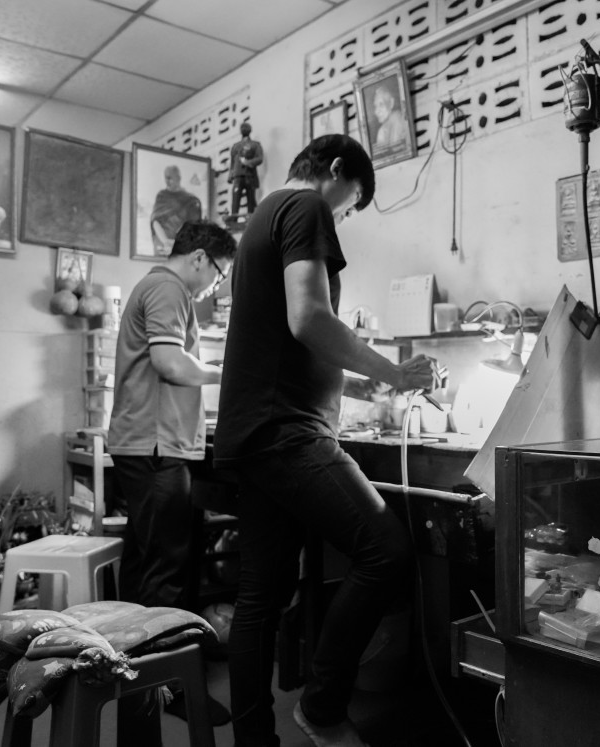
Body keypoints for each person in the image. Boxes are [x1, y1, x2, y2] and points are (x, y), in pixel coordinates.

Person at [213, 134, 442, 747]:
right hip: (286, 431)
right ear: (337, 171)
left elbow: (286, 341)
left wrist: (363, 388)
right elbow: (308, 317)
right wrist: (394, 372)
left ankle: (254, 738)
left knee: (260, 597)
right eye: (350, 204)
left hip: (256, 430)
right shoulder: (305, 207)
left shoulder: (262, 218)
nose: (342, 217)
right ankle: (322, 706)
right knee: (386, 550)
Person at [107, 219, 236, 743]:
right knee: (169, 569)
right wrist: (228, 372)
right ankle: (167, 690)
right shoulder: (169, 287)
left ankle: (134, 681)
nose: (215, 286)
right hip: (156, 446)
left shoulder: (156, 287)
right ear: (202, 257)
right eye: (220, 273)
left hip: (147, 442)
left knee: (144, 562)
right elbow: (169, 362)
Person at [150, 164, 202, 256]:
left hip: (182, 248)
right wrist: (165, 241)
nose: (167, 181)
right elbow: (155, 221)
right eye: (166, 178)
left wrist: (177, 244)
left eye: (170, 178)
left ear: (178, 178)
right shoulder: (162, 196)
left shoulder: (191, 200)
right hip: (163, 243)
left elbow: (193, 228)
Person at [227, 122, 263, 219]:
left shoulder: (255, 145)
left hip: (250, 175)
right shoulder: (236, 146)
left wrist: (248, 162)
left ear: (249, 131)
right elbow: (232, 162)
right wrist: (230, 174)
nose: (244, 130)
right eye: (243, 128)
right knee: (235, 201)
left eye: (246, 128)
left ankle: (251, 220)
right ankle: (233, 220)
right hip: (238, 176)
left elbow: (260, 158)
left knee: (251, 200)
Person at [371, 83, 407, 152]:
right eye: (375, 106)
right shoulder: (381, 130)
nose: (376, 112)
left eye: (381, 104)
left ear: (391, 103)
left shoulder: (399, 119)